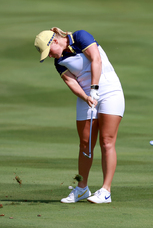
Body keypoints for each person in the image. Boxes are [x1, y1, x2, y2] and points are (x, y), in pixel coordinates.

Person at [34, 27, 125, 204]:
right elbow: (70, 81)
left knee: (106, 141)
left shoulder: (80, 37)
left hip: (109, 92)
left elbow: (96, 60)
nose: (50, 56)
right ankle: (82, 188)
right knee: (85, 144)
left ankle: (106, 191)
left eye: (49, 51)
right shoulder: (59, 61)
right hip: (87, 97)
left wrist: (94, 89)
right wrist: (86, 96)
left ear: (55, 41)